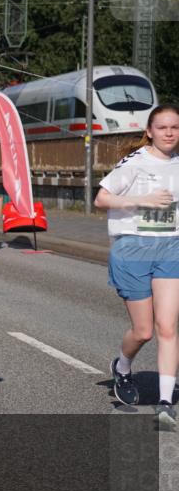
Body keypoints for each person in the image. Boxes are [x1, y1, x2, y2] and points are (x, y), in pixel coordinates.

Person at [94, 104, 179, 429]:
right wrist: (140, 200)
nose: (169, 133)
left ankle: (165, 402)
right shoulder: (135, 163)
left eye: (175, 128)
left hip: (170, 248)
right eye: (162, 128)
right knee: (143, 331)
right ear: (150, 131)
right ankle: (123, 365)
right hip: (133, 249)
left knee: (168, 328)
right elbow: (101, 199)